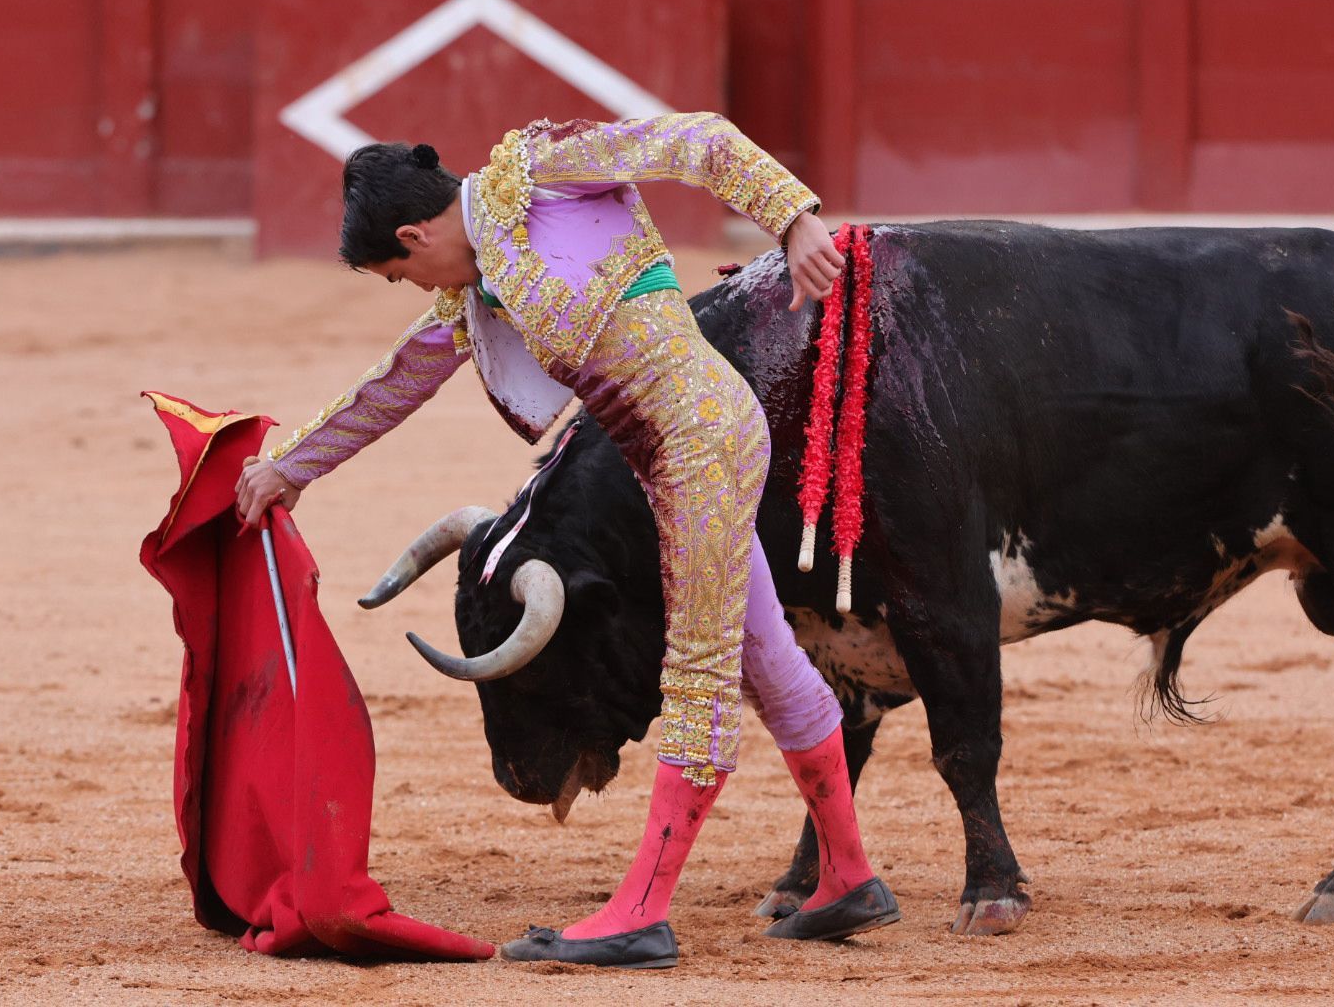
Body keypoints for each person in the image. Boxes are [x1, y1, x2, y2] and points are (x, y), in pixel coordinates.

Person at [236, 113, 898, 969]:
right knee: (765, 660)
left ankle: (642, 911)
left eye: (401, 271)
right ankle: (848, 874)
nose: (415, 287)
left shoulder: (544, 169)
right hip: (672, 458)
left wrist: (794, 217)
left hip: (701, 440)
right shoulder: (474, 289)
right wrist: (294, 466)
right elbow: (397, 379)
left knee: (697, 673)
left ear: (414, 234)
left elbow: (699, 140)